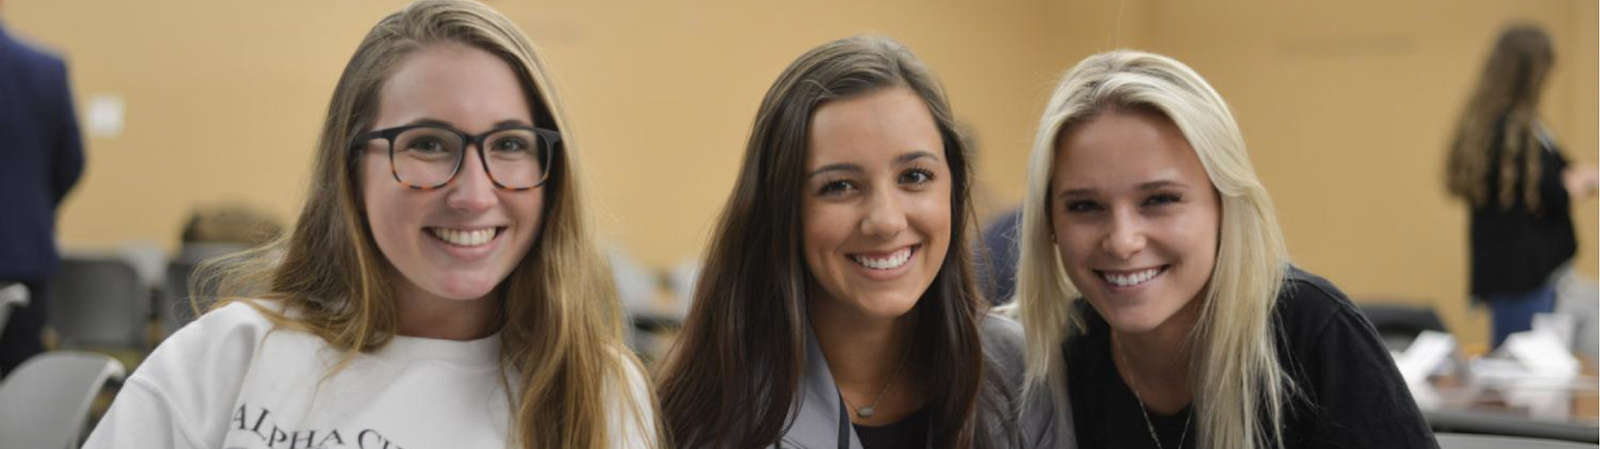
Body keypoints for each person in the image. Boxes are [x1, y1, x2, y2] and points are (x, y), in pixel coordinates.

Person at [82, 1, 658, 448]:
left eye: (509, 144)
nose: (475, 194)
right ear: (351, 168)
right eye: (429, 144)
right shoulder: (226, 357)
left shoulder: (598, 391)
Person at [1014, 50, 1437, 449]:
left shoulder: (1309, 333)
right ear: (1050, 223)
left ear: (1224, 204)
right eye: (1085, 206)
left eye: (1160, 199)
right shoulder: (1056, 357)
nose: (1123, 241)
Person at [656, 35, 1062, 449]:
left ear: (953, 189)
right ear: (780, 210)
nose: (885, 221)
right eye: (839, 186)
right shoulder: (708, 417)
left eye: (915, 176)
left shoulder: (1023, 378)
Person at [1445, 24, 1599, 349]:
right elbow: (1554, 190)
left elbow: (1563, 172)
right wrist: (1576, 183)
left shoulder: (1519, 127)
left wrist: (1577, 179)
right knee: (1522, 382)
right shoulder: (1508, 132)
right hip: (1521, 282)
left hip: (1537, 278)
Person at [0, 3, 86, 378]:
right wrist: (34, 209)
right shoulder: (46, 68)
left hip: (25, 249)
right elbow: (72, 161)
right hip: (25, 253)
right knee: (22, 382)